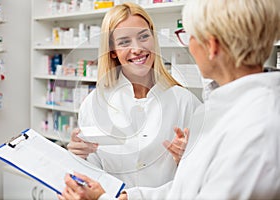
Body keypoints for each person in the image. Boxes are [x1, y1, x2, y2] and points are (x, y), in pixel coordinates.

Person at [59, 0, 280, 199]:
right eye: (124, 41)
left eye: (189, 35)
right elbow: (184, 191)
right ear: (112, 50)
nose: (189, 45)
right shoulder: (216, 109)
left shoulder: (253, 125)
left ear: (211, 46)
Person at [66, 1, 200, 190]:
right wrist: (78, 156)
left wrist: (188, 158)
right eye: (124, 42)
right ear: (112, 51)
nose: (137, 49)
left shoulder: (185, 101)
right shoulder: (94, 104)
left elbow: (203, 177)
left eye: (143, 37)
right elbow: (91, 176)